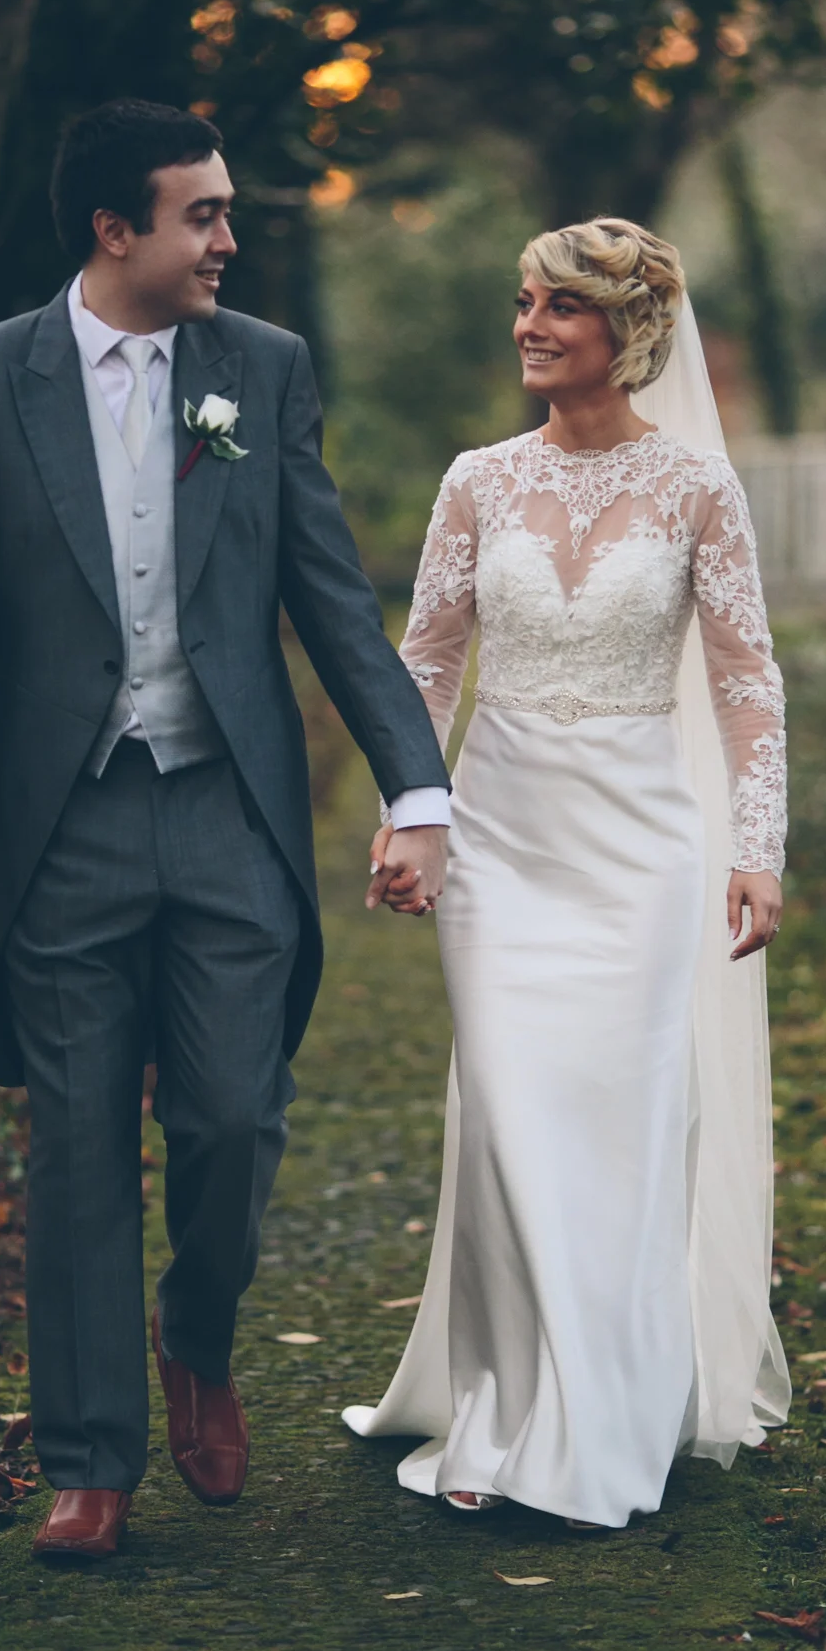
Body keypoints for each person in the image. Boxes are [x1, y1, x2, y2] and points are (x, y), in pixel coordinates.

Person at [0, 100, 450, 1560]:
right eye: (202, 213)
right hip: (60, 828)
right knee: (75, 1146)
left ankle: (195, 1333)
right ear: (113, 230)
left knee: (229, 1120)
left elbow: (330, 594)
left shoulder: (259, 370)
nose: (229, 236)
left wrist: (419, 784)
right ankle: (88, 1463)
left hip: (228, 810)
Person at [344, 218, 791, 1529]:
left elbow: (746, 679)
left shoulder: (701, 488)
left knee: (618, 1122)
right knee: (509, 1111)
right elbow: (424, 662)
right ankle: (497, 1405)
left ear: (626, 332)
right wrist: (407, 815)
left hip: (643, 848)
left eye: (559, 307)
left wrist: (756, 847)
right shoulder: (477, 481)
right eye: (524, 302)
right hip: (502, 834)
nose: (530, 325)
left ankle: (610, 1409)